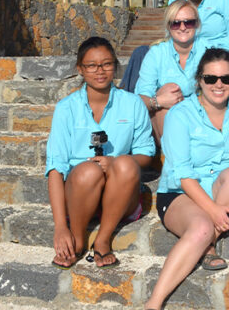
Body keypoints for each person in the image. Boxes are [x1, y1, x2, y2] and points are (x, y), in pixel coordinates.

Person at [145, 49, 229, 310]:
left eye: (226, 79)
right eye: (211, 78)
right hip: (181, 193)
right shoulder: (180, 115)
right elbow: (183, 176)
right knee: (202, 227)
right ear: (199, 80)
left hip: (223, 190)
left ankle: (208, 242)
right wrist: (214, 210)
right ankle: (154, 303)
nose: (219, 85)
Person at [47, 37, 154, 269]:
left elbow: (146, 153)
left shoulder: (133, 104)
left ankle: (103, 239)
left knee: (125, 163)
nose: (100, 71)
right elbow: (55, 167)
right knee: (87, 170)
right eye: (91, 66)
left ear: (115, 65)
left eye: (106, 64)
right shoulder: (66, 108)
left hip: (120, 193)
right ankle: (76, 238)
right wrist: (59, 227)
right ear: (80, 69)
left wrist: (115, 162)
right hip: (80, 193)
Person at [135, 0, 207, 140]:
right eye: (176, 23)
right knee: (167, 94)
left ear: (197, 24)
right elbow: (139, 101)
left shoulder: (208, 51)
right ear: (168, 26)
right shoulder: (156, 54)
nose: (182, 27)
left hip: (200, 113)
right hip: (164, 119)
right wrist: (159, 101)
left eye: (188, 22)